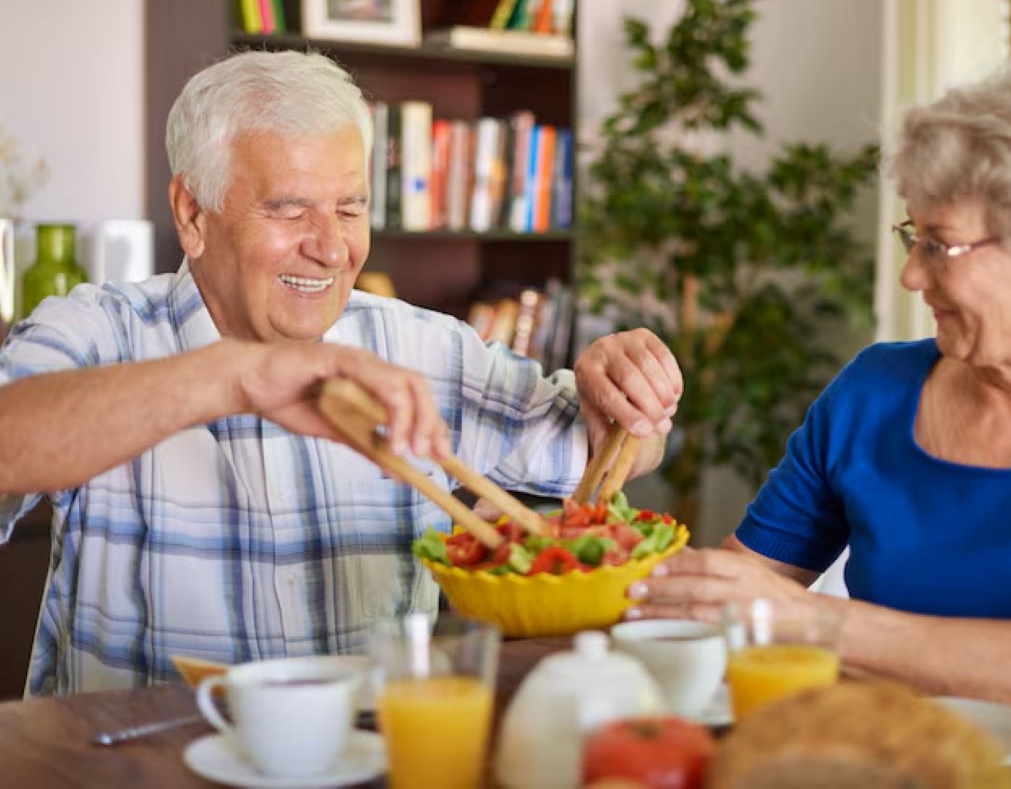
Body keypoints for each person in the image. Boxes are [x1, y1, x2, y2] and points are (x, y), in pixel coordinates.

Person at [0, 51, 682, 696]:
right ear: (191, 214)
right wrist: (233, 376)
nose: (330, 247)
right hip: (147, 766)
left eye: (350, 207)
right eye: (288, 207)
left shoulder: (422, 347)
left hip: (375, 755)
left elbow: (616, 451)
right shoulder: (97, 330)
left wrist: (625, 394)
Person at [627, 57, 1011, 727]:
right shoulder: (873, 391)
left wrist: (816, 622)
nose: (909, 276)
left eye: (939, 245)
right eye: (913, 236)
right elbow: (727, 604)